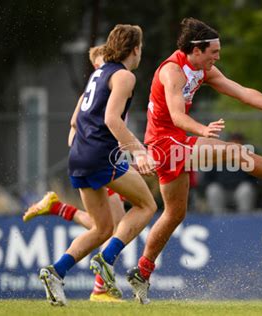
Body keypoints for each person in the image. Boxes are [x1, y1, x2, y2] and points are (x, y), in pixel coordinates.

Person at [125, 18, 262, 304]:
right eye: (214, 52)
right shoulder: (173, 71)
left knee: (174, 213)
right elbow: (176, 116)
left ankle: (142, 271)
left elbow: (243, 92)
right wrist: (202, 130)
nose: (217, 57)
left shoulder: (202, 68)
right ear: (196, 50)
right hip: (165, 144)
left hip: (173, 142)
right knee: (234, 152)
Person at [35, 24, 157, 306]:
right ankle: (107, 259)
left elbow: (78, 119)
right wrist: (139, 152)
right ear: (135, 49)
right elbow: (113, 121)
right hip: (101, 155)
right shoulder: (124, 75)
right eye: (141, 48)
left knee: (102, 229)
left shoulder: (99, 73)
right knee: (147, 205)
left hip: (78, 156)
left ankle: (55, 271)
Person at [23, 44, 127, 303]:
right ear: (97, 66)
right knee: (114, 226)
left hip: (93, 160)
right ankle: (101, 289)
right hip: (99, 162)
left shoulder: (100, 88)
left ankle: (58, 209)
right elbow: (76, 125)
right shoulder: (101, 88)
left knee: (104, 226)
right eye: (104, 61)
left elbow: (75, 126)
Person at [200, 133, 259, 214]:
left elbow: (255, 179)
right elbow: (206, 179)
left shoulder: (249, 159)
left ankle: (245, 220)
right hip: (221, 191)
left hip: (239, 191)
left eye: (238, 144)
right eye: (233, 143)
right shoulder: (217, 157)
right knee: (213, 190)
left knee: (246, 189)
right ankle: (218, 220)